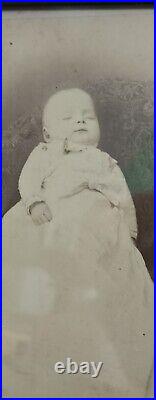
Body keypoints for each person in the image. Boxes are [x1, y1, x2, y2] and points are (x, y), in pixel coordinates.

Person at [3, 88, 153, 397]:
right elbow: (28, 179)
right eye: (68, 117)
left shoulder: (105, 161)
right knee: (26, 253)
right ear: (47, 132)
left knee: (110, 276)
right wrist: (33, 202)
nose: (80, 122)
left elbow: (122, 197)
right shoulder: (45, 153)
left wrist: (130, 231)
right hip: (48, 215)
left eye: (88, 116)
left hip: (98, 225)